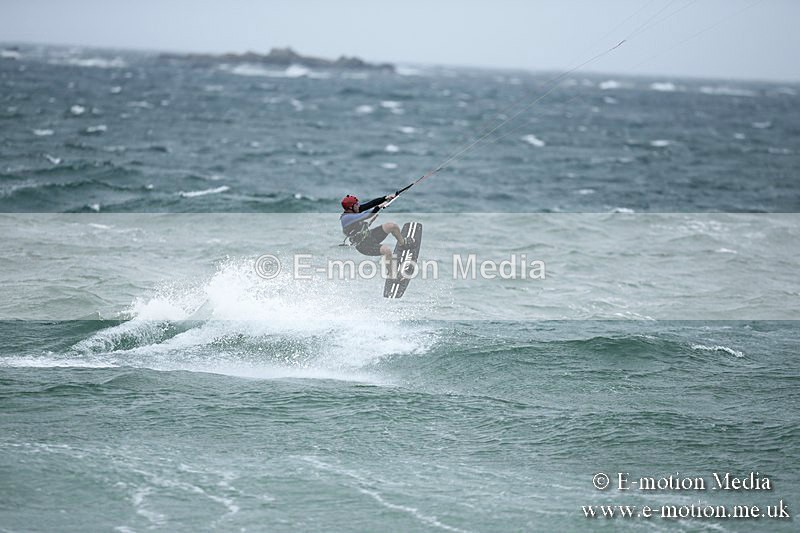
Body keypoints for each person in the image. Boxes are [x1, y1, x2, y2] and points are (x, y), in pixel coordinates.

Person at [340, 193, 414, 262]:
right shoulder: (347, 218)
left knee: (392, 226)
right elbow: (367, 215)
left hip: (370, 236)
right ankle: (392, 274)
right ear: (350, 207)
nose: (359, 205)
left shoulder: (354, 210)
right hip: (363, 246)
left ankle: (403, 244)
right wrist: (379, 206)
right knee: (387, 250)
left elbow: (371, 204)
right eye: (356, 204)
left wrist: (386, 198)